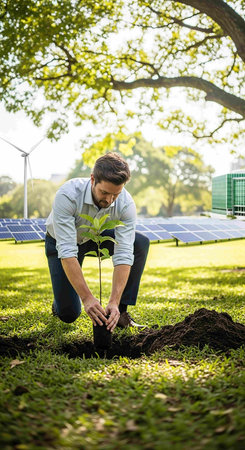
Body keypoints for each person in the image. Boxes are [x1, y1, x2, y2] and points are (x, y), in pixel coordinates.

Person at [45, 152, 149, 332]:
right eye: (105, 192)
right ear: (93, 179)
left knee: (139, 243)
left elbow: (124, 253)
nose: (109, 200)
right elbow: (68, 251)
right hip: (61, 242)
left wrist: (114, 301)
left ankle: (120, 312)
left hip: (95, 237)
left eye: (115, 195)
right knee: (68, 314)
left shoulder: (126, 203)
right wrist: (87, 299)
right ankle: (60, 300)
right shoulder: (68, 195)